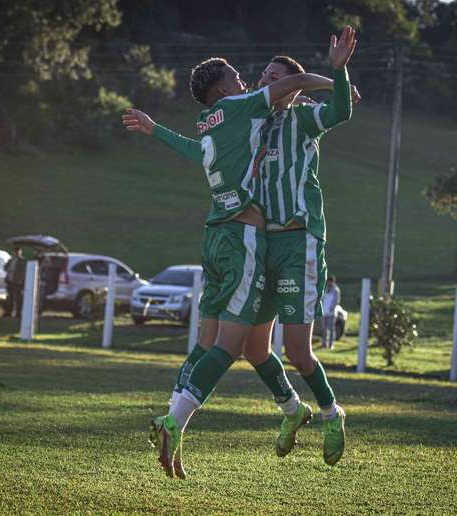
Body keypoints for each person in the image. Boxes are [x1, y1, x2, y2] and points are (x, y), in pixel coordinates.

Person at [124, 26, 357, 477]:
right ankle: (289, 410)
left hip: (290, 239)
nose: (261, 80)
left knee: (284, 348)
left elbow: (341, 109)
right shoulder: (252, 117)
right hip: (252, 241)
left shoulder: (290, 119)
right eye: (257, 75)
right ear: (227, 87)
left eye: (272, 76)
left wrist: (339, 75)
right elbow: (216, 141)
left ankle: (329, 415)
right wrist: (322, 76)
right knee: (247, 347)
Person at [3, 247, 26, 317]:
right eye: (15, 251)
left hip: (17, 282)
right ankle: (8, 312)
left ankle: (18, 313)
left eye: (18, 251)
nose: (16, 253)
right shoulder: (11, 260)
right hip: (10, 280)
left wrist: (21, 280)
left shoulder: (22, 261)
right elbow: (5, 267)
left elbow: (23, 272)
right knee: (9, 297)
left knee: (18, 298)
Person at [321, 276, 341, 349]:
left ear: (333, 282)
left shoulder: (336, 290)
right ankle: (324, 343)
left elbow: (336, 301)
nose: (329, 283)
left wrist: (331, 309)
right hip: (324, 312)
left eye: (330, 282)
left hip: (331, 313)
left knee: (331, 329)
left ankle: (331, 344)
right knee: (324, 329)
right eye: (328, 281)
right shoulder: (325, 289)